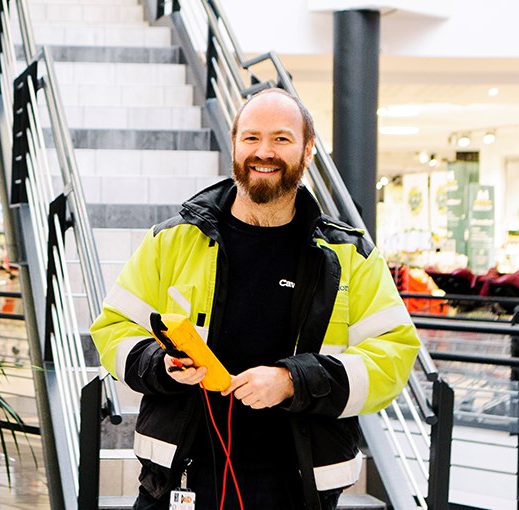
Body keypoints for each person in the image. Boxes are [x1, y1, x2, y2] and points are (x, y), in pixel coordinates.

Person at [90, 88, 421, 510]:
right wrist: (162, 365)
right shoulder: (171, 241)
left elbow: (393, 357)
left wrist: (293, 380)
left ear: (308, 150)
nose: (264, 151)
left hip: (297, 485)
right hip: (179, 478)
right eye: (251, 138)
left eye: (282, 138)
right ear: (233, 144)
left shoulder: (350, 256)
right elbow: (113, 329)